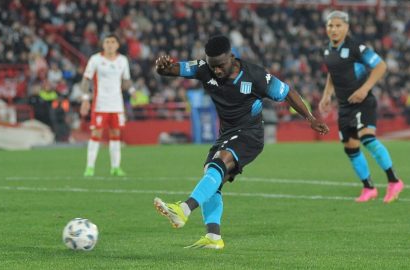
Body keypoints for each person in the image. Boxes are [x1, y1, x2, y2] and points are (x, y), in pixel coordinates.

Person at [153, 35, 329, 249]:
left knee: (220, 161)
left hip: (250, 134)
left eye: (220, 66)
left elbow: (288, 93)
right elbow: (172, 69)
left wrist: (310, 118)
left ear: (232, 58)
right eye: (212, 66)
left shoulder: (255, 76)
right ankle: (214, 237)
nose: (216, 71)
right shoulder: (203, 68)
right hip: (226, 134)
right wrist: (162, 67)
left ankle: (184, 209)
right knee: (212, 176)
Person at [318, 11, 404, 203]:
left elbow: (381, 66)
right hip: (344, 106)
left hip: (363, 103)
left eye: (338, 25)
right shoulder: (326, 50)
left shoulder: (357, 47)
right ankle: (368, 188)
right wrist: (326, 95)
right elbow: (332, 73)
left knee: (367, 139)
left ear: (347, 27)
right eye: (331, 25)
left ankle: (394, 181)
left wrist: (365, 89)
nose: (334, 29)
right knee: (351, 148)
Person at [80, 34, 135, 177]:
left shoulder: (122, 60)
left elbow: (126, 79)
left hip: (117, 104)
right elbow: (86, 80)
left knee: (116, 134)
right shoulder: (95, 59)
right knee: (96, 133)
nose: (110, 44)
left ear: (117, 45)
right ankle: (90, 167)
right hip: (100, 104)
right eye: (107, 42)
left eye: (113, 42)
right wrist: (85, 99)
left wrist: (133, 91)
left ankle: (115, 167)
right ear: (103, 44)